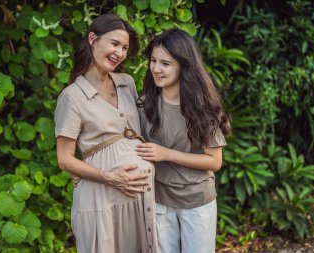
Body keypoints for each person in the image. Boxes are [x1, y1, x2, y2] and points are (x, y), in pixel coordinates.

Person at [55, 14, 157, 253]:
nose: (120, 52)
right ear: (93, 39)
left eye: (124, 48)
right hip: (101, 197)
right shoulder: (72, 97)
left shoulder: (127, 82)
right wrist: (109, 176)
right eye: (114, 44)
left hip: (137, 198)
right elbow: (64, 158)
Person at [136, 29, 231, 253]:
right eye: (153, 61)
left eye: (165, 64)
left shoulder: (202, 107)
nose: (156, 69)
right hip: (158, 200)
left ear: (183, 65)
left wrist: (166, 154)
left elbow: (214, 162)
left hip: (197, 202)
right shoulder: (143, 105)